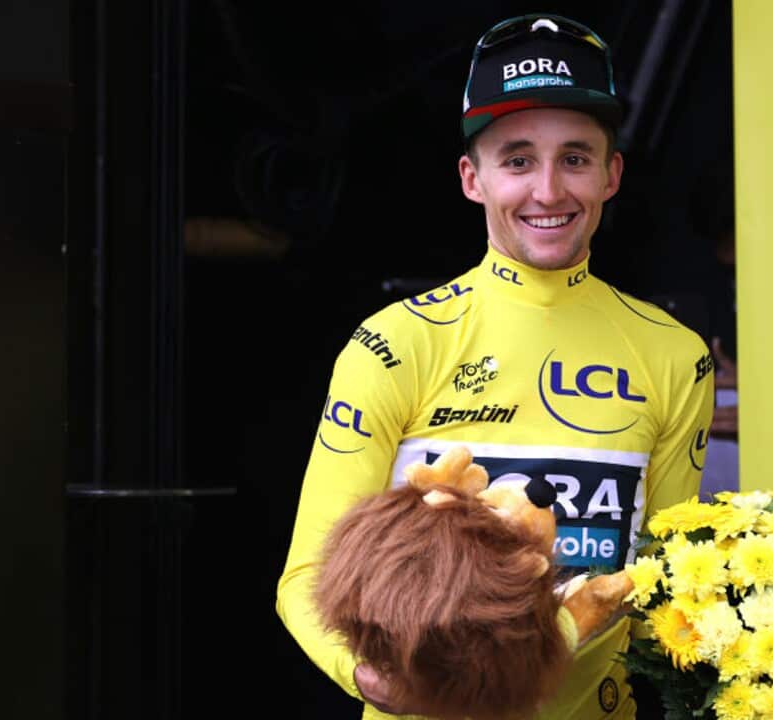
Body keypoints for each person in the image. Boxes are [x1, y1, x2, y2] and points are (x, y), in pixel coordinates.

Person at [275, 13, 714, 720]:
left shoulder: (674, 355)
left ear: (612, 173)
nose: (548, 191)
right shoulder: (396, 344)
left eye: (575, 157)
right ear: (471, 177)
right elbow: (305, 577)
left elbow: (663, 583)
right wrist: (369, 678)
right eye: (517, 160)